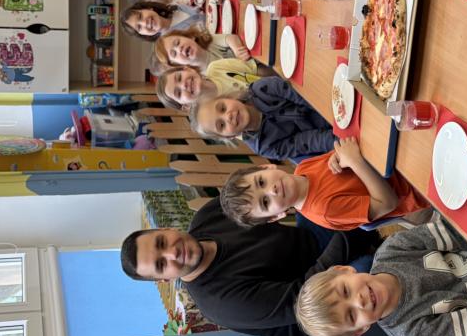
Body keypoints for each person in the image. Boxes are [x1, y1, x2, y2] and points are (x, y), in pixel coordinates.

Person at [119, 198, 381, 336]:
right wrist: (348, 229)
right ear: (165, 279)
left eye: (162, 243)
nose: (172, 253)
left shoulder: (209, 215)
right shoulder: (221, 303)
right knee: (370, 257)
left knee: (333, 189)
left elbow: (272, 197)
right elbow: (304, 296)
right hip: (329, 309)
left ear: (166, 229)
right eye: (161, 264)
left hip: (312, 241)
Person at [296, 217, 467, 336]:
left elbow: (458, 233)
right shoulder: (412, 334)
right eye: (351, 315)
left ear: (344, 270)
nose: (359, 301)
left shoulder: (393, 249)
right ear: (360, 331)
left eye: (345, 291)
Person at [219, 142, 431, 231]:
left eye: (261, 182)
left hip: (397, 154)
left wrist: (338, 155)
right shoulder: (325, 210)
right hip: (418, 184)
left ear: (266, 167)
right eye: (265, 202)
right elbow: (388, 203)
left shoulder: (302, 167)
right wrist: (356, 162)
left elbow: (348, 150)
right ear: (276, 216)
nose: (271, 190)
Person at [190, 77, 335, 163]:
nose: (228, 116)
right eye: (221, 125)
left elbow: (307, 97)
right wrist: (339, 138)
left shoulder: (263, 89)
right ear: (229, 137)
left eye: (222, 108)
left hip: (329, 102)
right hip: (331, 136)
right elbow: (309, 142)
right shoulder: (265, 146)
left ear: (229, 98)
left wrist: (334, 112)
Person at [155, 60, 266, 109]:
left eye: (179, 78)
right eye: (178, 93)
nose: (183, 85)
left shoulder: (216, 67)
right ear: (186, 106)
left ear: (188, 69)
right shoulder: (217, 116)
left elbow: (258, 70)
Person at [153, 27, 249, 70]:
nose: (179, 49)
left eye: (177, 42)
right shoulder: (202, 77)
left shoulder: (208, 41)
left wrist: (237, 52)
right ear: (178, 64)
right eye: (174, 54)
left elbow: (230, 38)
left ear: (189, 37)